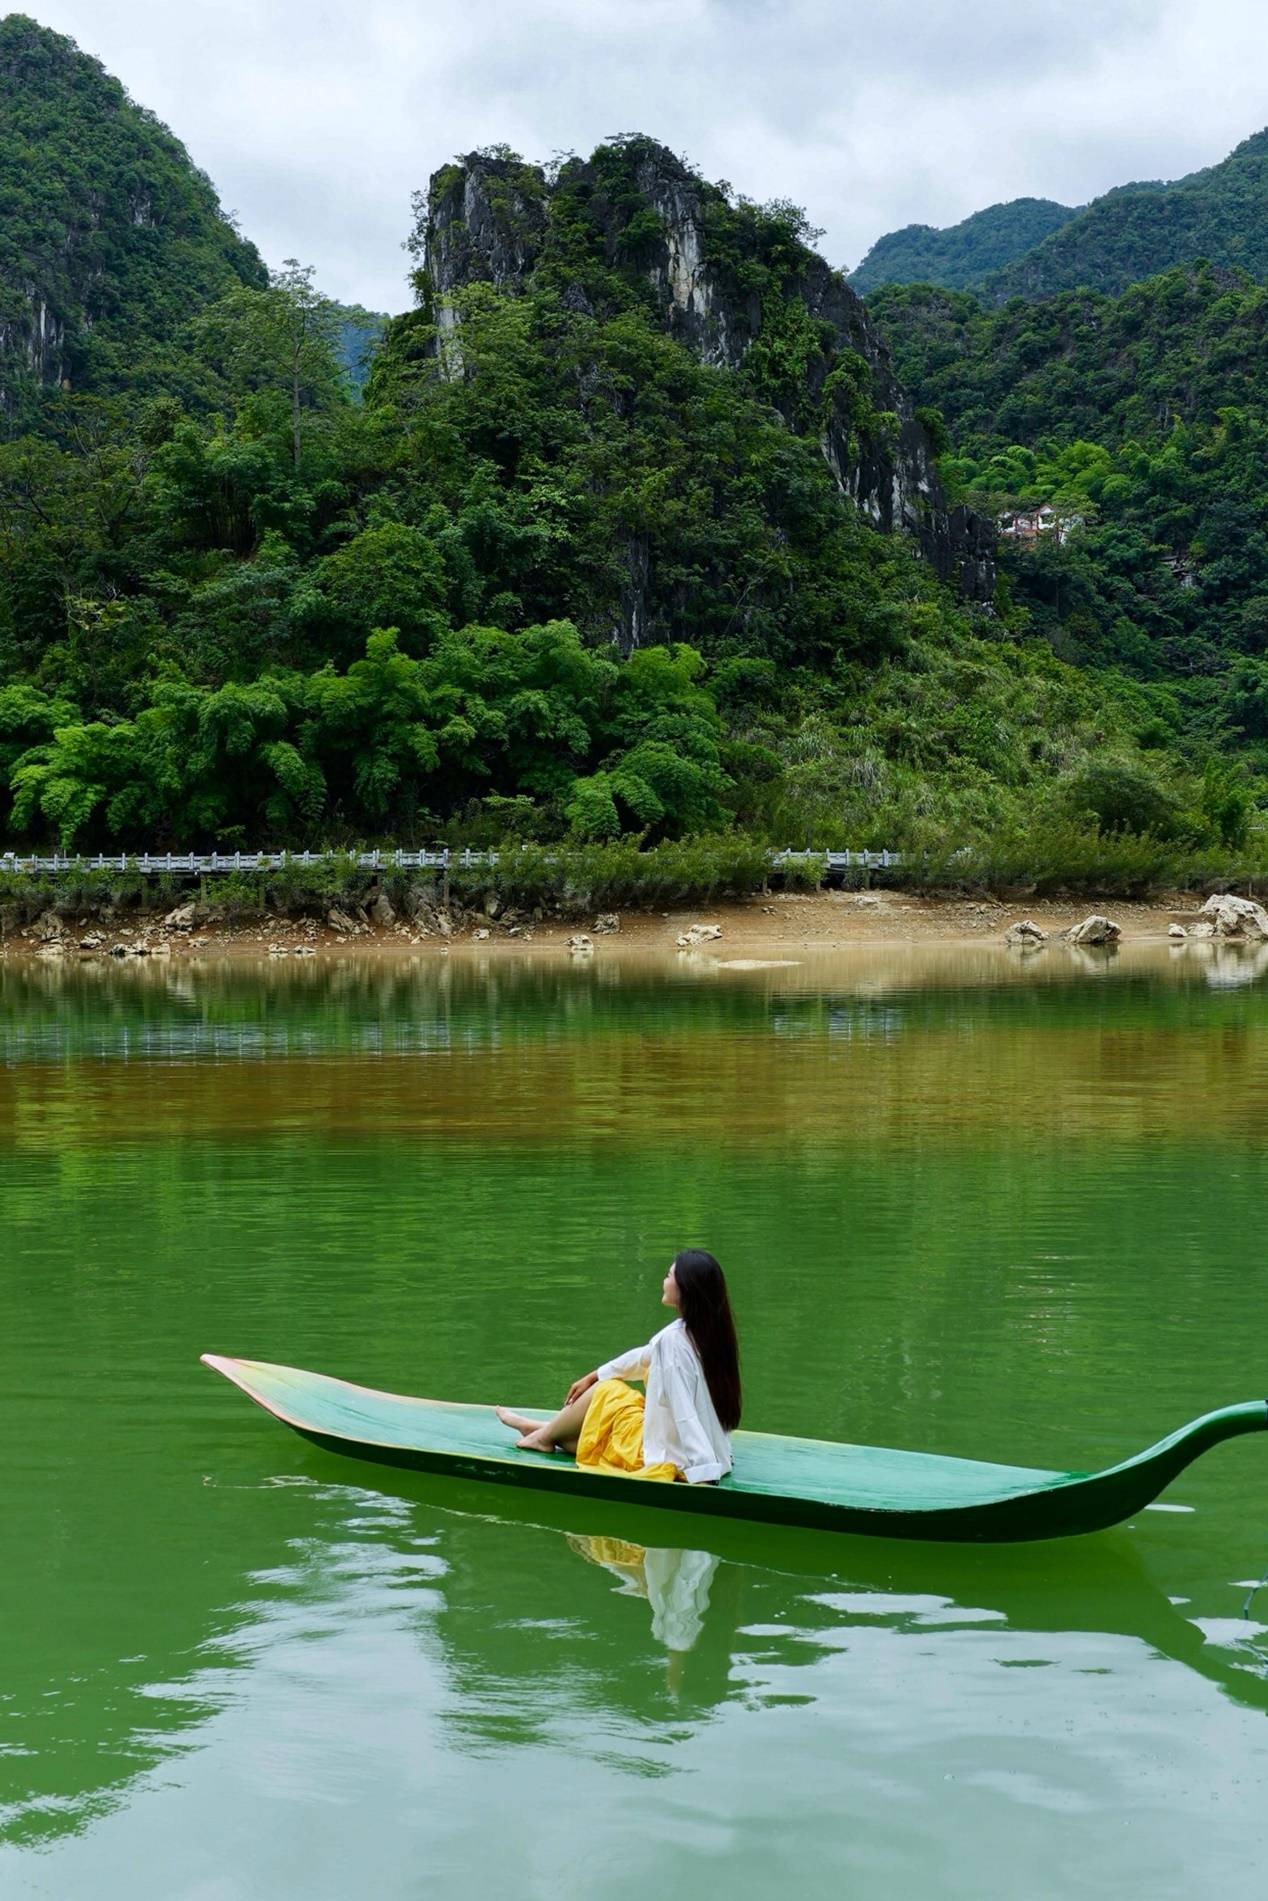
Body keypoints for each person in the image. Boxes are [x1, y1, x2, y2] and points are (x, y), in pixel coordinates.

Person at [494, 1248, 741, 1484]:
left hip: (676, 1457)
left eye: (668, 1275)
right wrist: (594, 1375)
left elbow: (684, 1411)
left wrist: (704, 1474)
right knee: (609, 1398)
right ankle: (541, 1430)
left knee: (607, 1395)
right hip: (704, 1450)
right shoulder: (710, 1332)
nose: (663, 1280)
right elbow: (642, 1358)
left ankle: (544, 1437)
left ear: (686, 1288)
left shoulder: (674, 1342)